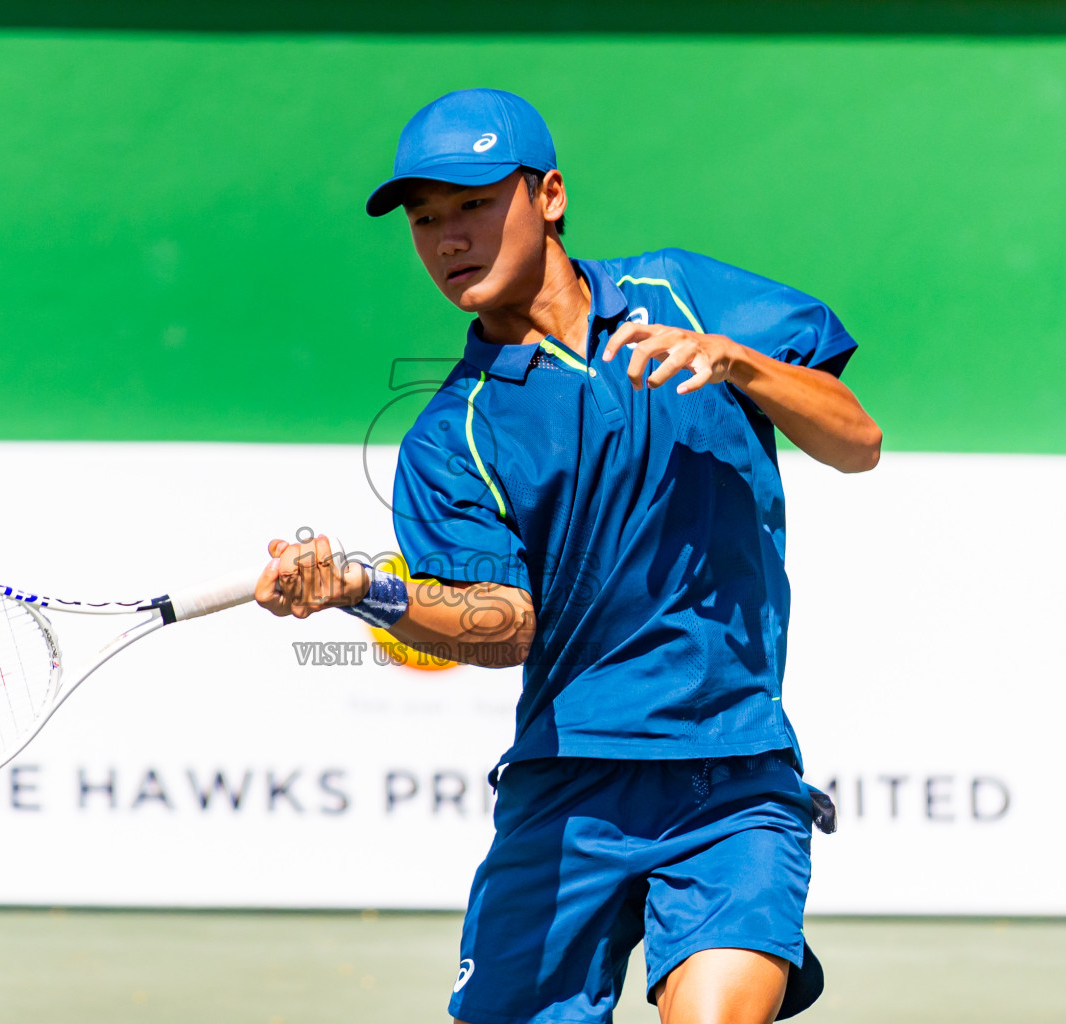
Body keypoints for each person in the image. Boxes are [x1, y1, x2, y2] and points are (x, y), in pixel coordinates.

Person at [254, 88, 881, 1024]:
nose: (448, 239)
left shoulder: (683, 294)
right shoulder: (451, 435)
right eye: (426, 221)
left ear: (548, 195)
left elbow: (857, 440)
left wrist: (740, 364)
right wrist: (366, 591)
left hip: (734, 770)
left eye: (472, 204)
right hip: (567, 787)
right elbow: (503, 626)